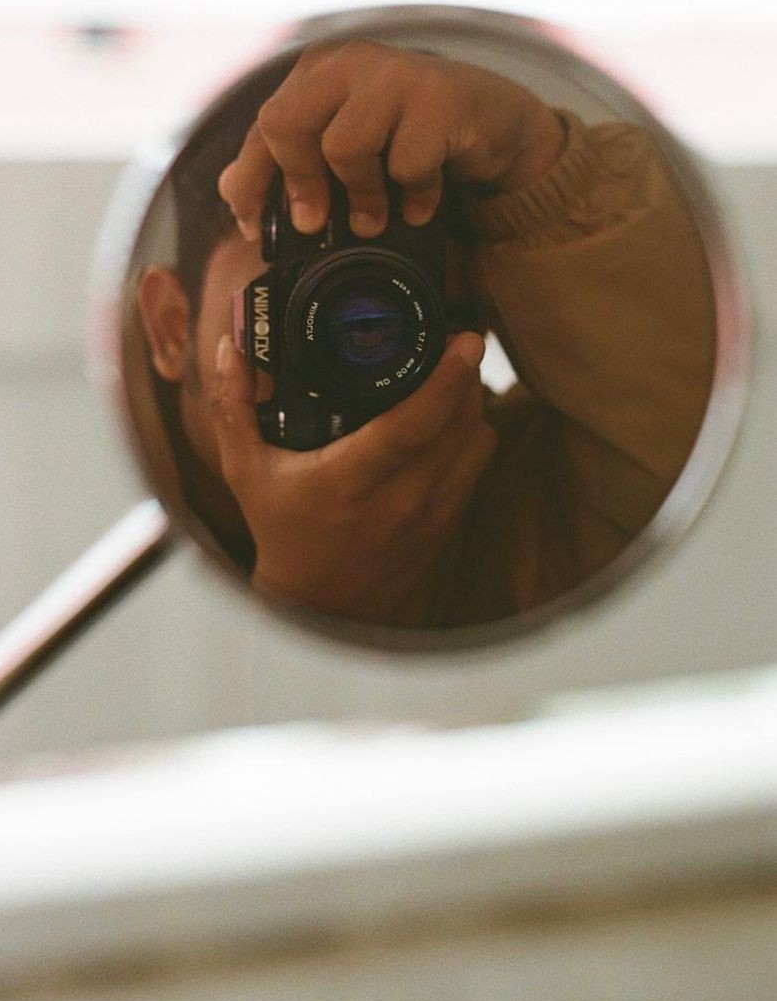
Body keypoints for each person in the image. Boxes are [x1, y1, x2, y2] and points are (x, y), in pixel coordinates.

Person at [135, 40, 716, 629]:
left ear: (475, 322)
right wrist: (311, 599)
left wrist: (538, 163)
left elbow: (680, 425)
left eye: (408, 308)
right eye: (296, 305)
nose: (360, 341)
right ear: (170, 328)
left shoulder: (525, 496)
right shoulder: (120, 527)